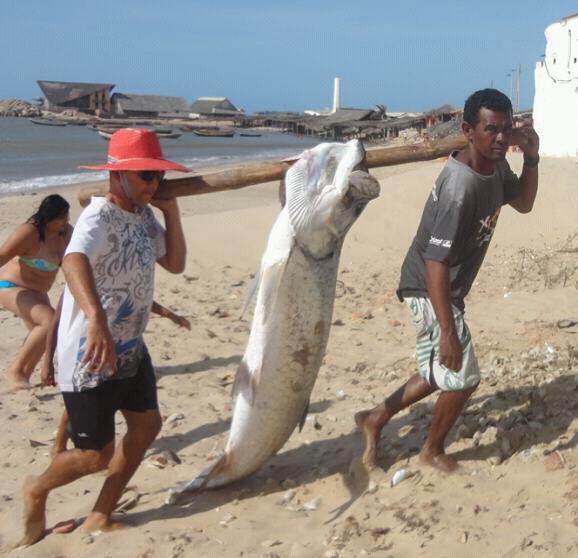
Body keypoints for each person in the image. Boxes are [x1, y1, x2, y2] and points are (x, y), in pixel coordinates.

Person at [355, 89, 540, 473]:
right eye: (492, 130)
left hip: (445, 287)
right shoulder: (461, 186)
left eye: (507, 130)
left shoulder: (495, 164)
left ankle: (375, 418)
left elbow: (522, 203)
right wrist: (447, 330)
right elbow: (434, 262)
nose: (502, 139)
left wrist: (533, 157)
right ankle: (431, 451)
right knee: (462, 377)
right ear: (469, 130)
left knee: (439, 370)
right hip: (428, 285)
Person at [20, 128, 189, 545]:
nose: (154, 184)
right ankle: (36, 488)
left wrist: (171, 212)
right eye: (146, 176)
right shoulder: (98, 215)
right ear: (119, 175)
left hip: (130, 347)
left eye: (158, 177)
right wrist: (95, 317)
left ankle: (100, 514)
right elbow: (75, 260)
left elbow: (175, 263)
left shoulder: (145, 217)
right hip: (90, 354)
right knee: (96, 455)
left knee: (147, 426)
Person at [41, 296, 191, 456]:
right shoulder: (77, 284)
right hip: (86, 353)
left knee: (101, 403)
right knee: (84, 400)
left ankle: (70, 446)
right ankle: (61, 446)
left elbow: (139, 299)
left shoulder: (115, 280)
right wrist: (47, 362)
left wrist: (170, 315)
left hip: (119, 350)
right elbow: (56, 322)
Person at [0, 194, 72, 389]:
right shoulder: (29, 232)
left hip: (38, 294)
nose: (65, 221)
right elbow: (2, 255)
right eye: (61, 218)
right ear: (48, 217)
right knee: (48, 322)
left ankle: (24, 377)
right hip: (12, 287)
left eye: (67, 217)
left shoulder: (66, 234)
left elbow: (78, 260)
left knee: (46, 335)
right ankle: (15, 371)